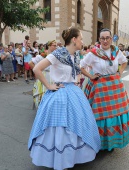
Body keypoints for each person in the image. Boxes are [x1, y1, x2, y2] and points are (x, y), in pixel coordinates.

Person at [28, 27, 101, 170]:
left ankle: (71, 157)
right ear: (74, 40)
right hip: (60, 93)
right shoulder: (58, 53)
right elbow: (37, 68)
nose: (82, 41)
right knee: (61, 126)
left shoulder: (75, 55)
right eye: (81, 38)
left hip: (74, 92)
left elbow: (78, 69)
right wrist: (48, 85)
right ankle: (59, 160)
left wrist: (91, 76)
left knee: (76, 123)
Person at [80, 28, 129, 152]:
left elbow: (124, 62)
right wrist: (91, 76)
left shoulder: (116, 51)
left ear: (111, 39)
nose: (105, 41)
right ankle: (99, 142)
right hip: (99, 88)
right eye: (102, 38)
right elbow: (81, 66)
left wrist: (120, 72)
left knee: (116, 114)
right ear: (99, 39)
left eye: (107, 38)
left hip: (115, 87)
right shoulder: (93, 53)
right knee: (101, 115)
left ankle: (112, 141)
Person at [29, 40, 57, 109]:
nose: (56, 47)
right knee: (43, 93)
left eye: (56, 45)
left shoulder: (56, 55)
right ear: (49, 46)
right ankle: (42, 108)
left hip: (53, 76)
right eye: (54, 45)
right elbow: (30, 63)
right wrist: (38, 72)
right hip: (44, 75)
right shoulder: (42, 55)